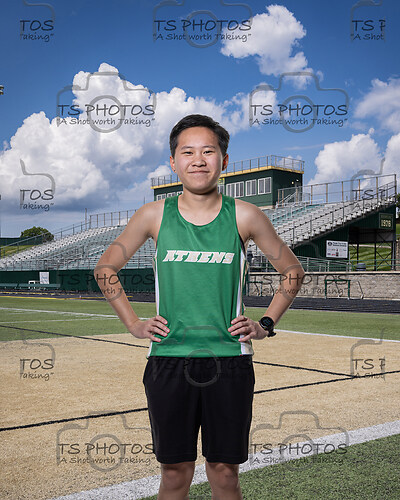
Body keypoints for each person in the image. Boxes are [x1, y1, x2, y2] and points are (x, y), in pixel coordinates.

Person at [95, 114, 305, 500]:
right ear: (173, 162)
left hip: (229, 361)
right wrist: (133, 324)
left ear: (224, 160)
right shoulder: (153, 215)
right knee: (175, 473)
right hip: (169, 358)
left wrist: (265, 324)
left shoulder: (245, 215)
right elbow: (105, 268)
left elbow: (293, 271)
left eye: (208, 151)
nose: (198, 160)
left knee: (224, 473)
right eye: (187, 152)